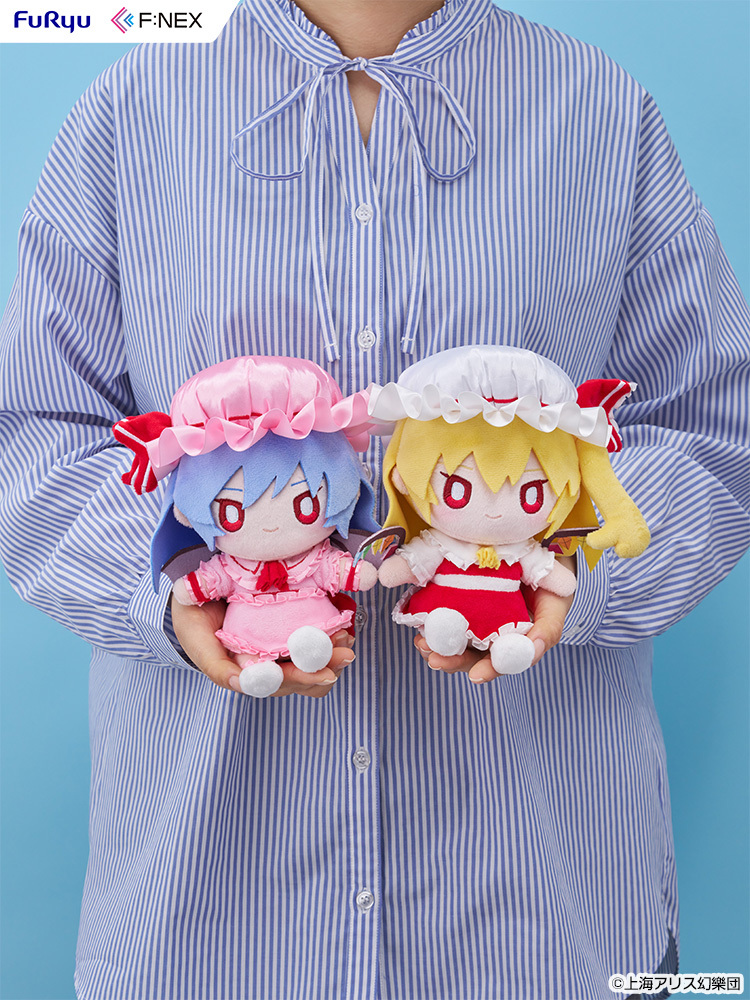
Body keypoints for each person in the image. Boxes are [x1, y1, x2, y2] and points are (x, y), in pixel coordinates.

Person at [0, 1, 748, 998]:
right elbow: (35, 434)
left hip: (546, 914)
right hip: (206, 917)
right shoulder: (129, 113)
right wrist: (184, 577)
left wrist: (564, 564)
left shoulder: (600, 114)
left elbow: (712, 431)